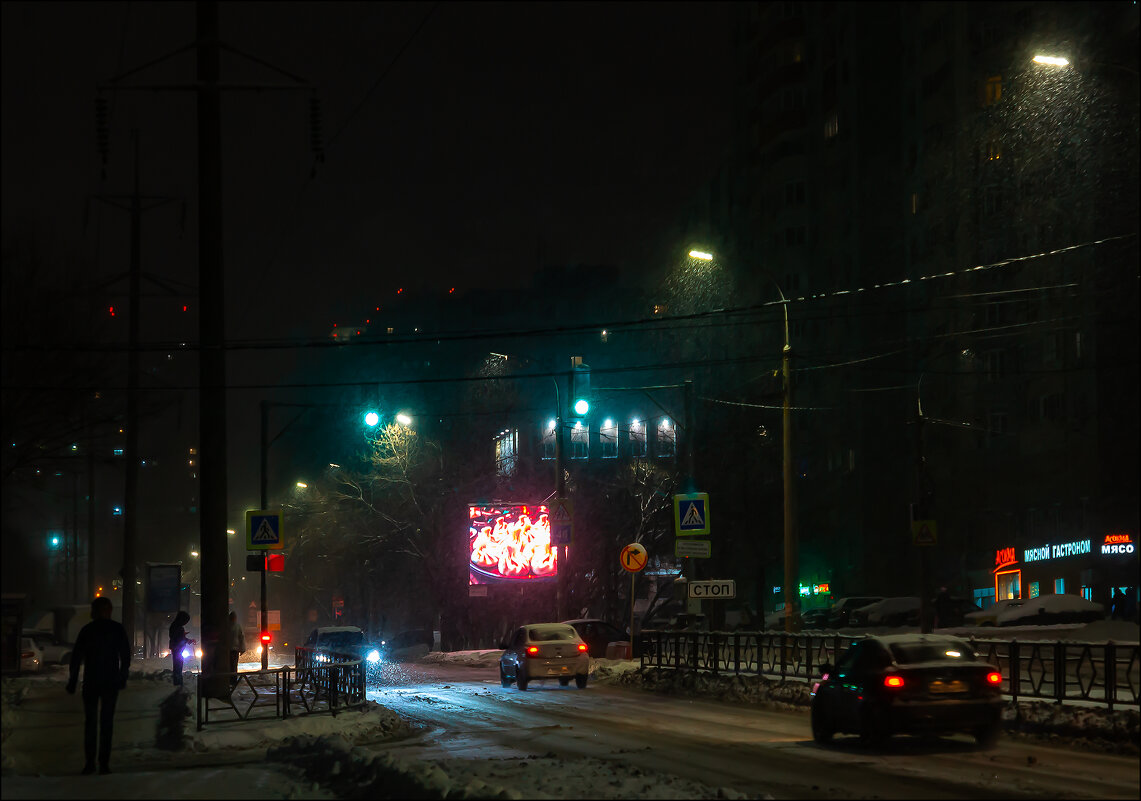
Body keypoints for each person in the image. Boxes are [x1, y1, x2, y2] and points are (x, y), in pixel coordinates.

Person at [66, 596, 130, 776]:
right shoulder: (117, 629)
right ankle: (104, 763)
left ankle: (90, 763)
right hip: (110, 681)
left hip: (92, 681)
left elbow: (76, 658)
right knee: (107, 722)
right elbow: (125, 656)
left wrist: (72, 681)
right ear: (109, 611)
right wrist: (122, 677)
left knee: (91, 722)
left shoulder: (87, 630)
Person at [168, 611, 193, 687]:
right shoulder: (178, 627)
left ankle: (178, 682)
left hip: (176, 648)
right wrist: (187, 640)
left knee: (177, 666)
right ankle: (178, 683)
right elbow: (179, 638)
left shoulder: (175, 626)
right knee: (178, 666)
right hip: (177, 649)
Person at [227, 610, 246, 689]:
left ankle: (230, 679)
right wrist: (242, 649)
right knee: (234, 665)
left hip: (228, 649)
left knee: (229, 665)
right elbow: (241, 638)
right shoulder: (237, 626)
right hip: (234, 649)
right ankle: (233, 680)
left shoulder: (226, 626)